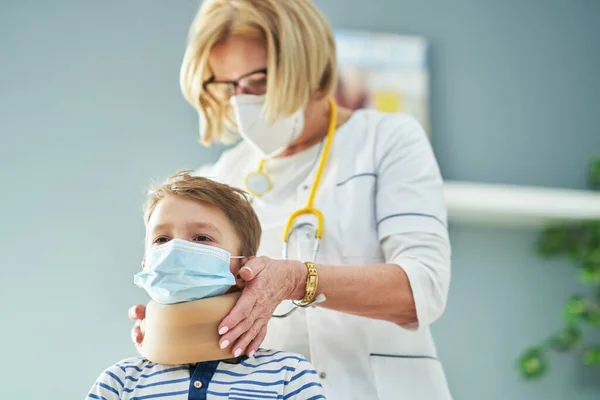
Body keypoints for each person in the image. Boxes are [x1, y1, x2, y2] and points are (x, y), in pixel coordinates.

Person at [129, 0, 453, 398]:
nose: (242, 100)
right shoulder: (220, 179)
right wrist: (170, 325)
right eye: (227, 85)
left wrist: (297, 280)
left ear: (306, 63)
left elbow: (424, 290)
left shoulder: (386, 141)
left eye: (259, 80)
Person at [87, 172, 326, 399]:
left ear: (245, 269)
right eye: (162, 239)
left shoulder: (287, 376)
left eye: (201, 238)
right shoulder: (120, 383)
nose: (175, 250)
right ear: (146, 264)